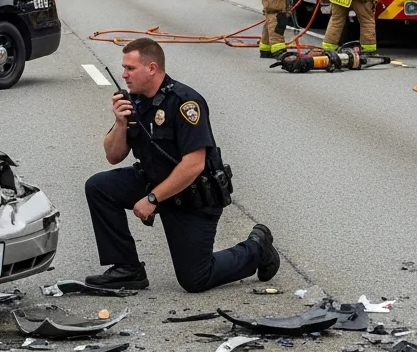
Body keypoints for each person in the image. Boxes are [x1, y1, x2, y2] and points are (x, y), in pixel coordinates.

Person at [84, 38, 279, 291]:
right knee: (99, 187)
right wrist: (120, 124)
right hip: (155, 181)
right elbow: (113, 155)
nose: (124, 75)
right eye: (123, 68)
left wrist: (152, 200)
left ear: (152, 68)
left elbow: (193, 165)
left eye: (130, 68)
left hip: (192, 195)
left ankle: (256, 248)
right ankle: (127, 268)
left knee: (195, 279)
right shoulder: (135, 101)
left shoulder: (185, 103)